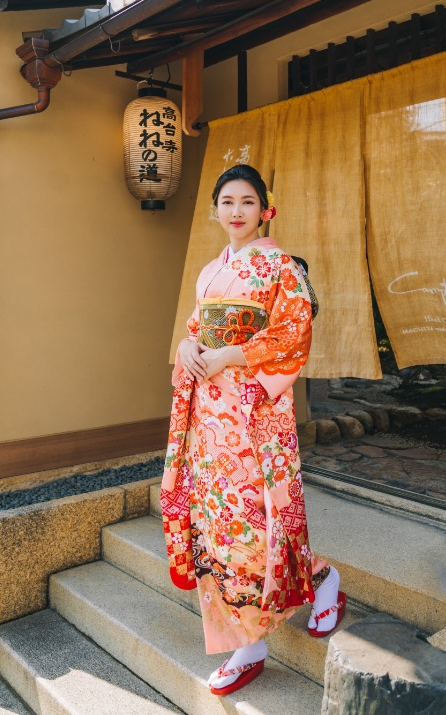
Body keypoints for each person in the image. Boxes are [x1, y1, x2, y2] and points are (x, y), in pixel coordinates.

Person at [161, 164, 345, 696]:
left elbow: (296, 332)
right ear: (215, 210)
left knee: (257, 519)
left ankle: (317, 582)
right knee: (220, 521)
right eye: (227, 202)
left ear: (267, 210)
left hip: (251, 411)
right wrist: (187, 347)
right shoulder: (209, 272)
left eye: (247, 202)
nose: (236, 211)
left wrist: (232, 356)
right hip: (209, 416)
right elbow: (197, 328)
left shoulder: (281, 268)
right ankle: (249, 639)